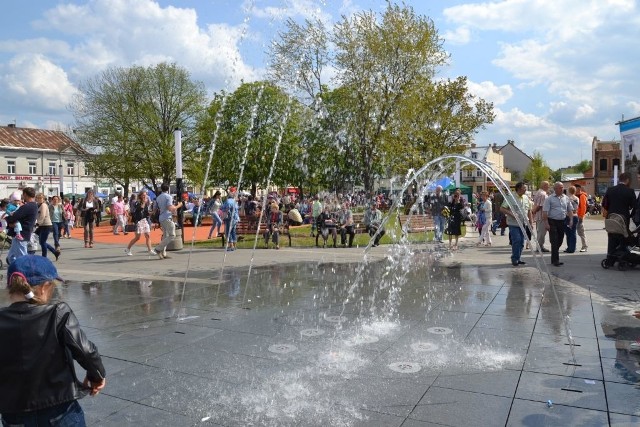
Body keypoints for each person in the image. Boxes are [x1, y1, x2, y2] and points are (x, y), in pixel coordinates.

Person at [0, 255, 106, 425]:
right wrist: (97, 375)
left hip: (14, 414)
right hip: (60, 410)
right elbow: (85, 350)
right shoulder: (57, 313)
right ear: (44, 287)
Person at [602, 172, 637, 266]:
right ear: (628, 180)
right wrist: (630, 214)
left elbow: (604, 204)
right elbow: (634, 206)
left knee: (612, 238)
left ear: (619, 179)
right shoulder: (630, 191)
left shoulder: (610, 190)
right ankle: (622, 258)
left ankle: (610, 260)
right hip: (624, 219)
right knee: (623, 238)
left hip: (611, 218)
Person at [500, 182, 533, 267]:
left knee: (521, 242)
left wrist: (531, 222)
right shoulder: (510, 197)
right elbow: (502, 208)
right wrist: (512, 214)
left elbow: (529, 211)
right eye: (524, 188)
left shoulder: (526, 197)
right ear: (519, 188)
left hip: (523, 223)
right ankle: (514, 258)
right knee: (517, 240)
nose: (525, 189)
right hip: (513, 223)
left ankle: (518, 258)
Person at [543, 182, 574, 267]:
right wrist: (546, 223)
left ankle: (554, 254)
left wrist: (571, 220)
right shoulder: (549, 199)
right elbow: (545, 212)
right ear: (555, 189)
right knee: (554, 240)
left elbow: (570, 210)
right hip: (552, 221)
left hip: (562, 221)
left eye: (562, 187)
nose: (562, 189)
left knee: (560, 240)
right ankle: (555, 260)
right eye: (560, 187)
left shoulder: (566, 198)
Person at [6, 187, 38, 265]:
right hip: (20, 233)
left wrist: (7, 219)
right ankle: (16, 270)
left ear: (25, 194)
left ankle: (25, 273)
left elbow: (15, 216)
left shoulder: (27, 206)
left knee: (22, 256)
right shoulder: (34, 205)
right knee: (11, 257)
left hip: (21, 233)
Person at [153, 183, 182, 259]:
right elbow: (170, 208)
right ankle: (158, 249)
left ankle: (163, 253)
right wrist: (179, 205)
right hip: (167, 217)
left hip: (161, 217)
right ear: (168, 189)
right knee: (172, 235)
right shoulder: (168, 197)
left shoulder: (158, 197)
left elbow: (154, 209)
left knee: (165, 235)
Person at [124, 191, 156, 256]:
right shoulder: (137, 202)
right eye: (143, 195)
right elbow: (140, 208)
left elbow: (146, 213)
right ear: (140, 196)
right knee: (137, 238)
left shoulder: (146, 203)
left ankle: (150, 250)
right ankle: (128, 248)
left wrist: (152, 212)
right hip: (138, 221)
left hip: (144, 220)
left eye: (146, 195)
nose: (145, 196)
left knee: (148, 235)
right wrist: (144, 202)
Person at [35, 193, 60, 261]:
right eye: (38, 198)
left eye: (41, 198)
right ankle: (55, 252)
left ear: (43, 199)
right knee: (42, 242)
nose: (39, 199)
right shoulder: (38, 205)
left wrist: (38, 223)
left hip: (46, 225)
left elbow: (42, 215)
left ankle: (44, 258)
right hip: (42, 225)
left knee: (42, 242)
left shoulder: (44, 205)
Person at [532, 181, 550, 252]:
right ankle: (539, 247)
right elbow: (540, 205)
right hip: (542, 215)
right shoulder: (543, 194)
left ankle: (540, 246)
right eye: (548, 186)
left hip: (539, 215)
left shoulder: (538, 192)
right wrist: (534, 212)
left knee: (540, 231)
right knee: (541, 232)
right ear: (544, 186)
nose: (548, 187)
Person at [563, 185, 579, 253]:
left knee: (568, 233)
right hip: (575, 215)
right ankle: (572, 247)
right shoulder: (577, 198)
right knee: (573, 232)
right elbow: (576, 208)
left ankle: (570, 247)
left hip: (568, 216)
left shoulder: (567, 198)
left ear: (569, 191)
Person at [574, 184, 589, 252]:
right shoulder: (575, 196)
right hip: (574, 216)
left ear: (579, 189)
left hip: (579, 216)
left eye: (576, 188)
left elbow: (583, 207)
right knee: (573, 232)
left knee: (581, 232)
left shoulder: (582, 196)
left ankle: (584, 246)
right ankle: (572, 246)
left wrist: (581, 216)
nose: (575, 190)